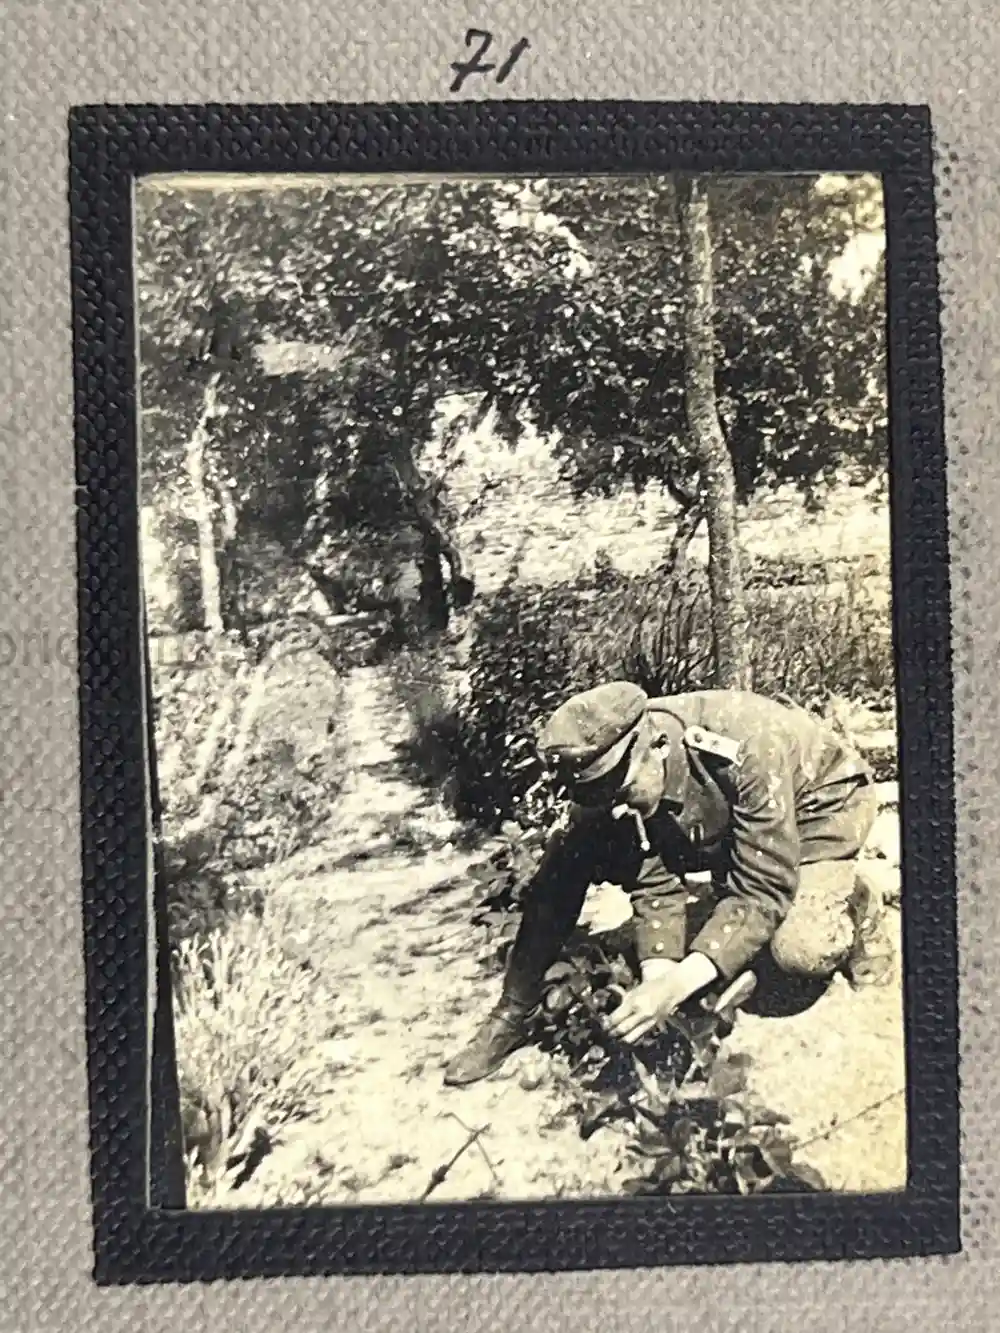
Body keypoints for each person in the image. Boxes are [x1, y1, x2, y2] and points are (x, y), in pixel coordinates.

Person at [443, 680, 893, 1087]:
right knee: (566, 858)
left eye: (621, 794)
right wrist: (658, 972)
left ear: (655, 746)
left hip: (817, 808)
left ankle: (855, 900)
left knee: (801, 950)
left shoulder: (744, 747)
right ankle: (513, 1011)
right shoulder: (622, 766)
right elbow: (653, 871)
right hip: (728, 818)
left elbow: (762, 889)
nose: (617, 808)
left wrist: (678, 986)